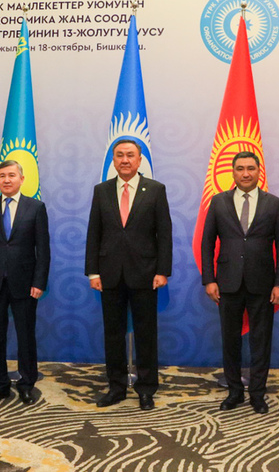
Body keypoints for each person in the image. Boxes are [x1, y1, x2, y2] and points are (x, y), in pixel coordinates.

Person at [85, 139, 172, 410]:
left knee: (146, 334)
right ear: (113, 160)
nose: (125, 160)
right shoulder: (101, 191)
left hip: (145, 274)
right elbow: (94, 233)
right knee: (113, 334)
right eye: (120, 155)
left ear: (139, 160)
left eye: (130, 155)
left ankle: (146, 389)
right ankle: (116, 387)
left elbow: (164, 234)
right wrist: (92, 272)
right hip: (109, 274)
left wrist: (162, 271)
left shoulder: (155, 190)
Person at [201, 151, 279, 414]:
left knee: (261, 342)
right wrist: (209, 279)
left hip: (263, 284)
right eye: (240, 168)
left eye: (251, 168)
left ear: (259, 171)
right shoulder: (218, 202)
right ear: (233, 172)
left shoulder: (274, 203)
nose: (246, 173)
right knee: (230, 341)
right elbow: (207, 243)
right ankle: (234, 392)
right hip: (227, 283)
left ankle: (258, 394)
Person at [0, 160, 50, 405]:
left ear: (21, 179)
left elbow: (43, 250)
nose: (6, 180)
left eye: (11, 175)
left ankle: (27, 384)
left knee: (26, 336)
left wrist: (39, 282)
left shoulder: (36, 207)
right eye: (2, 175)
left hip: (25, 283)